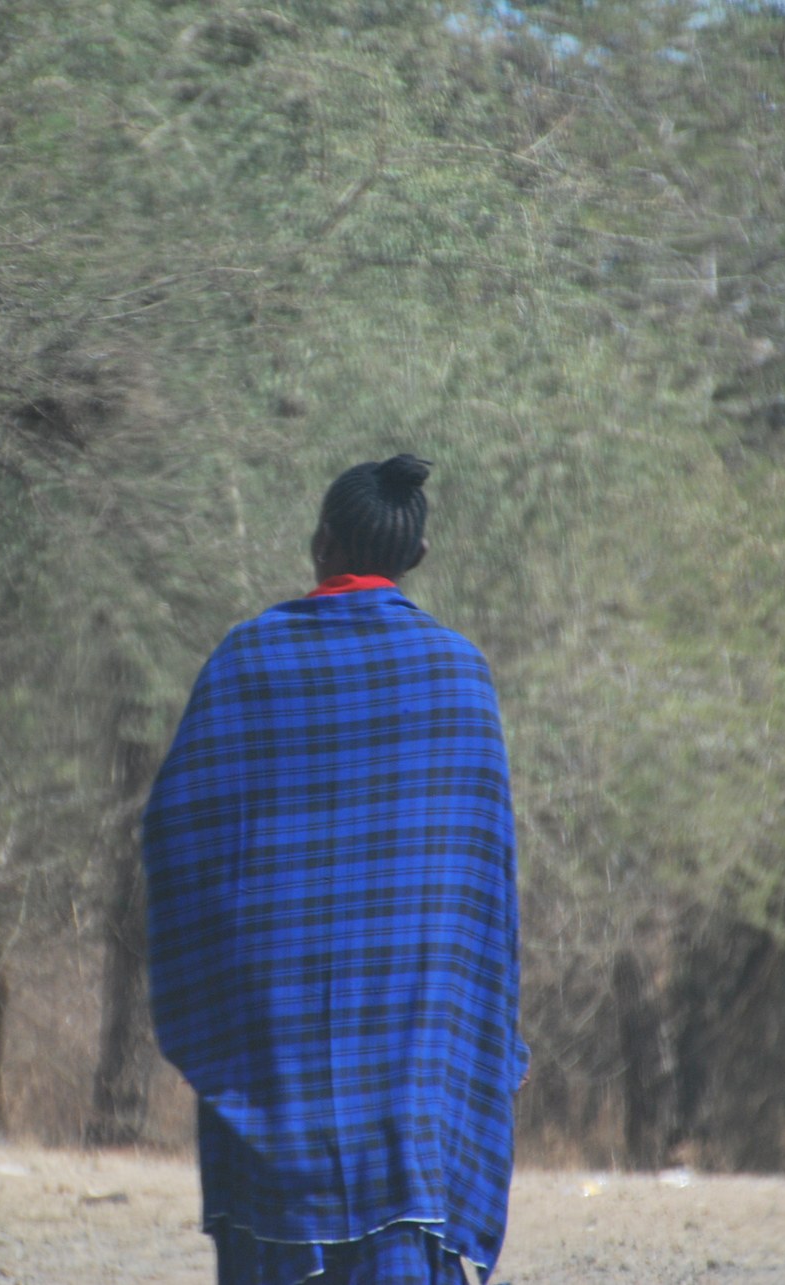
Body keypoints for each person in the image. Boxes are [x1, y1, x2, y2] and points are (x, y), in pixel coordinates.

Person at [142, 455, 527, 1285]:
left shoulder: (248, 662)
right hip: (413, 1067)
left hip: (273, 1065)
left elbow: (176, 838)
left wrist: (222, 988)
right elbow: (483, 894)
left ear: (320, 542)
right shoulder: (459, 675)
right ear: (415, 558)